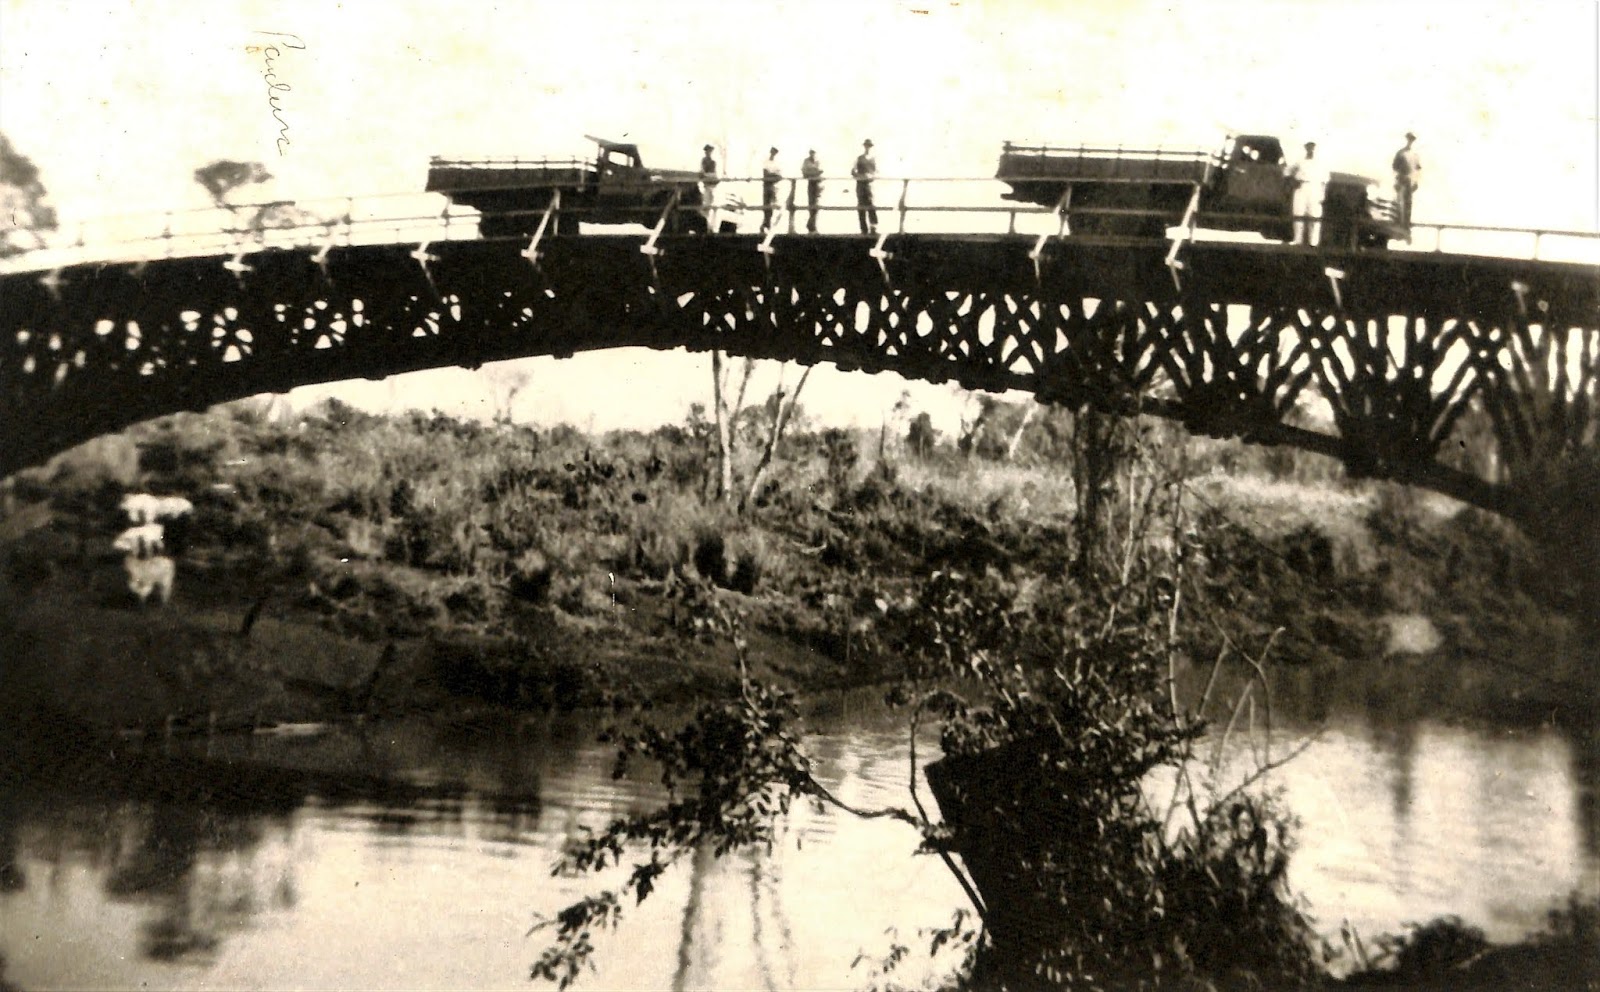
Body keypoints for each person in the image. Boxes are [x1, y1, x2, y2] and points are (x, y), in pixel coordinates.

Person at [1285, 140, 1327, 246]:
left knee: (1314, 215)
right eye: (1308, 147)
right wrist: (1293, 181)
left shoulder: (1321, 162)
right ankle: (1297, 240)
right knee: (1298, 213)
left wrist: (1322, 194)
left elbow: (1325, 181)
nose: (1310, 150)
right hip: (1301, 187)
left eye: (1312, 147)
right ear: (1306, 149)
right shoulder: (1300, 161)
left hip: (1315, 188)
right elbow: (1287, 172)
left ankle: (1313, 242)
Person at [1392, 131, 1420, 232]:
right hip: (1401, 179)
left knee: (1408, 203)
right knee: (1400, 202)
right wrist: (1396, 182)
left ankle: (1406, 225)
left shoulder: (1415, 154)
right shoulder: (1401, 153)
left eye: (1412, 140)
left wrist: (1416, 181)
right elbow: (1395, 167)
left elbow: (1417, 169)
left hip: (1409, 181)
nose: (1410, 141)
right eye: (1409, 139)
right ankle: (1400, 224)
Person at [851, 139, 879, 235]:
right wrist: (859, 176)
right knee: (861, 206)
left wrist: (871, 176)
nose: (868, 148)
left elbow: (877, 172)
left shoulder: (873, 159)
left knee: (871, 205)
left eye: (869, 146)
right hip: (860, 184)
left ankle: (873, 227)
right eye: (867, 146)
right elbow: (853, 171)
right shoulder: (859, 158)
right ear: (864, 147)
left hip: (870, 185)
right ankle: (863, 229)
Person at [801, 149, 823, 233]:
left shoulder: (819, 161)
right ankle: (811, 225)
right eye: (811, 152)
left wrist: (811, 173)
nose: (812, 154)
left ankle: (812, 225)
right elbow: (804, 173)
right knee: (811, 203)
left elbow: (821, 171)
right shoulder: (806, 161)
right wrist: (813, 173)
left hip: (818, 183)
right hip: (811, 183)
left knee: (816, 204)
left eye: (814, 152)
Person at [761, 147, 782, 232]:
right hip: (767, 185)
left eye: (775, 152)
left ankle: (768, 224)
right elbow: (765, 174)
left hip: (774, 186)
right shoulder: (766, 161)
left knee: (772, 204)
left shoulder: (777, 163)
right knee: (766, 205)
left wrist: (772, 176)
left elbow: (779, 176)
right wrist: (772, 175)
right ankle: (766, 224)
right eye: (773, 152)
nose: (773, 153)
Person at [700, 144, 720, 231]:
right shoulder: (704, 161)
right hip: (707, 186)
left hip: (713, 186)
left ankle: (712, 226)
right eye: (707, 151)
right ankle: (707, 226)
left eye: (710, 151)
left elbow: (715, 175)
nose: (709, 153)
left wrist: (711, 176)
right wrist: (708, 176)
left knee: (714, 206)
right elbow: (702, 173)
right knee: (706, 205)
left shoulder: (713, 162)